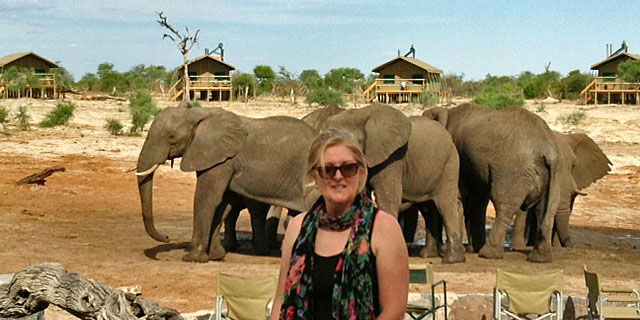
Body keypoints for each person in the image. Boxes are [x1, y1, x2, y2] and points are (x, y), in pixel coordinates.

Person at [271, 129, 409, 320]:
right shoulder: (298, 228)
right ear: (315, 176)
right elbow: (281, 301)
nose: (338, 176)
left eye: (347, 168)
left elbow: (394, 312)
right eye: (328, 169)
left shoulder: (383, 228)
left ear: (360, 172)